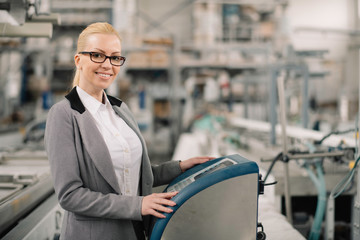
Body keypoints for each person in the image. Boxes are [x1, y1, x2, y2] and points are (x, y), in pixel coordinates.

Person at [44, 22, 213, 240]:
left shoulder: (120, 109)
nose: (107, 65)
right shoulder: (64, 114)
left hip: (134, 232)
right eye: (97, 55)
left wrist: (179, 168)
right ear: (79, 60)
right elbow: (70, 196)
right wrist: (138, 204)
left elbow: (133, 174)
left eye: (115, 58)